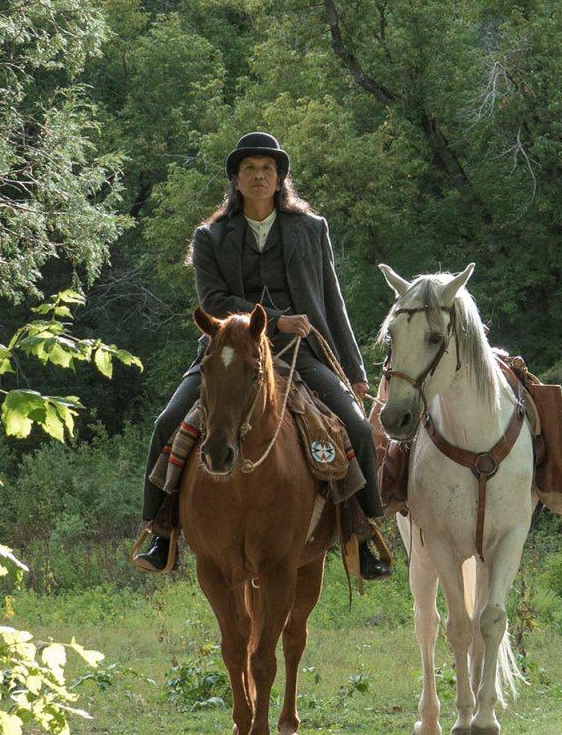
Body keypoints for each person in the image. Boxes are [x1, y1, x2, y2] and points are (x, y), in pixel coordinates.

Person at [134, 132, 390, 580]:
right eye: (249, 169)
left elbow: (333, 301)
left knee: (355, 428)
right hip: (229, 354)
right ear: (235, 180)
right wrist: (276, 318)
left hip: (303, 353)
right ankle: (160, 531)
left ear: (279, 179)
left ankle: (364, 532)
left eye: (267, 169)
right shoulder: (211, 236)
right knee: (167, 423)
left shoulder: (312, 229)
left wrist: (354, 371)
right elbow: (213, 302)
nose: (258, 176)